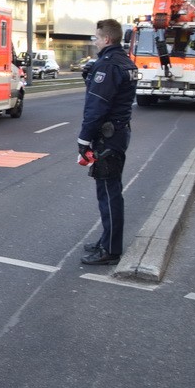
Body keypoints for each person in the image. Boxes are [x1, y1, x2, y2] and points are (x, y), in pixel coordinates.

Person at [78, 18, 137, 266]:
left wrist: (84, 140)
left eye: (96, 38)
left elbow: (97, 107)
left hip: (108, 137)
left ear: (107, 39)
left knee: (109, 192)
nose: (95, 42)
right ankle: (106, 241)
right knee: (109, 189)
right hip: (118, 133)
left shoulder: (109, 65)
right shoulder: (124, 61)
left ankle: (111, 250)